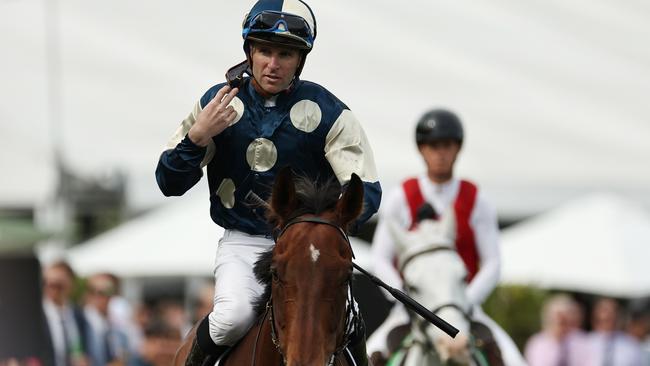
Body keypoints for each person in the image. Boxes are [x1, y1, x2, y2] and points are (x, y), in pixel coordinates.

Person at [155, 0, 382, 364]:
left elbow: (367, 191)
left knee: (349, 322)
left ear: (300, 60)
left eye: (285, 54)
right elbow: (169, 183)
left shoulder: (331, 112)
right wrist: (196, 139)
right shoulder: (216, 103)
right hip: (244, 242)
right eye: (264, 51)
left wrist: (322, 229)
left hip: (311, 246)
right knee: (230, 320)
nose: (273, 64)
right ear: (250, 51)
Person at [368, 109, 526, 365]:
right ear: (421, 149)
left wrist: (462, 302)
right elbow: (380, 258)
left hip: (466, 308)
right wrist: (408, 299)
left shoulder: (476, 199)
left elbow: (493, 263)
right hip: (410, 310)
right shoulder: (400, 197)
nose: (440, 153)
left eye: (447, 145)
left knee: (515, 360)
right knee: (368, 354)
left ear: (458, 149)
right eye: (433, 146)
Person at [41, 260, 91, 366]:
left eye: (57, 285)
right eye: (46, 283)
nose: (51, 289)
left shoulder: (78, 315)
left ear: (71, 285)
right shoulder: (36, 316)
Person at [524, 294, 592, 366]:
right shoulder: (537, 343)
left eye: (564, 319)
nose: (560, 320)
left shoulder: (583, 342)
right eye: (557, 316)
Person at [83, 273, 130, 366]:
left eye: (107, 292)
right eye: (96, 292)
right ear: (88, 294)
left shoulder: (118, 324)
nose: (102, 297)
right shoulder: (80, 322)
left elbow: (125, 353)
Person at [585, 297, 646, 366]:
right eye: (604, 310)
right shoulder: (584, 343)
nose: (607, 315)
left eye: (612, 311)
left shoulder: (631, 345)